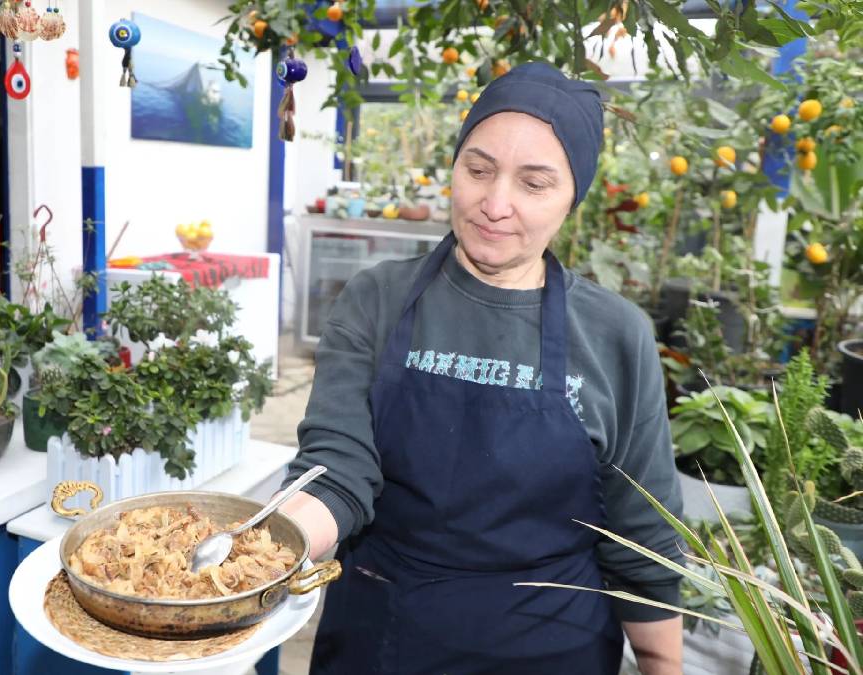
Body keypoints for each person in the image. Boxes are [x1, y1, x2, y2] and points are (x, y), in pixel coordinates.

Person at [278, 62, 684, 674]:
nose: (496, 204)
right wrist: (264, 546)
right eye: (478, 169)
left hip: (550, 647)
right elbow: (336, 469)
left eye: (535, 183)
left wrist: (662, 664)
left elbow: (641, 536)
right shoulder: (376, 299)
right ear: (454, 168)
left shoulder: (614, 334)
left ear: (574, 197)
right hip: (383, 632)